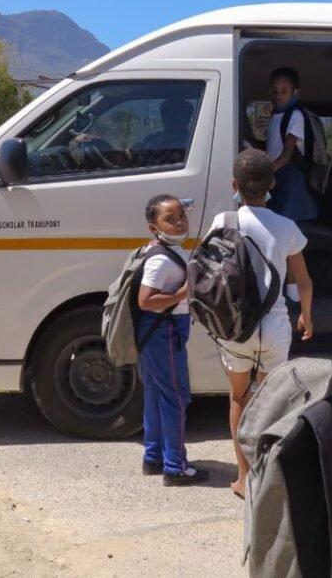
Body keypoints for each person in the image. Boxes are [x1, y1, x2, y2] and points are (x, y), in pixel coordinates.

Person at [210, 149, 314, 498]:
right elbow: (303, 281)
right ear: (272, 184)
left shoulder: (222, 222)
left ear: (234, 185)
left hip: (235, 328)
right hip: (274, 327)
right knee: (269, 402)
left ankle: (243, 477)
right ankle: (267, 477)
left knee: (239, 398)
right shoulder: (287, 227)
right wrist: (307, 315)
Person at [137, 194, 209, 486]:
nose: (180, 223)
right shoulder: (160, 260)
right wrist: (184, 293)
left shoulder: (162, 250)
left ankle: (153, 457)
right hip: (164, 332)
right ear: (154, 227)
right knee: (176, 398)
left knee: (157, 394)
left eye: (181, 216)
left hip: (155, 332)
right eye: (170, 219)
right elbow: (145, 301)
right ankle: (176, 468)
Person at [264, 66, 319, 221]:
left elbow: (287, 154)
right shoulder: (276, 114)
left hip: (289, 177)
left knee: (287, 220)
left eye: (284, 92)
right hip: (278, 173)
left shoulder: (295, 115)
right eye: (274, 91)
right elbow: (273, 144)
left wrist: (266, 171)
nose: (278, 96)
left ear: (295, 93)